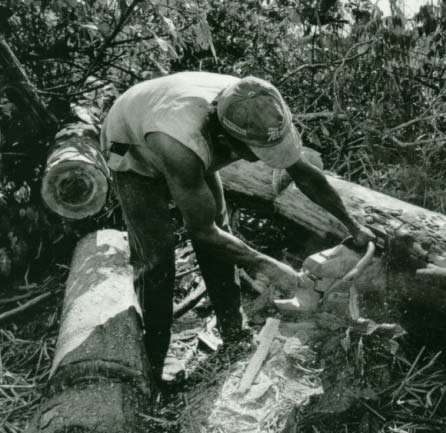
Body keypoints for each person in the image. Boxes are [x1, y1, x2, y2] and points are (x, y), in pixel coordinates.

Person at [100, 71, 374, 381]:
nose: (262, 160)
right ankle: (152, 364)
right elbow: (202, 232)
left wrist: (353, 226)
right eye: (256, 154)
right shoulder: (182, 144)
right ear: (224, 139)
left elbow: (304, 173)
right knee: (158, 260)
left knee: (221, 234)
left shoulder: (259, 102)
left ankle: (233, 332)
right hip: (133, 147)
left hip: (174, 126)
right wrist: (272, 268)